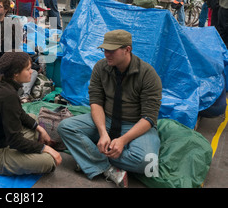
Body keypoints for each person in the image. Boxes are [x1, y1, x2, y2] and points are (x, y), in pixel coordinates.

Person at [58, 30, 162, 188]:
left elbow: (149, 117)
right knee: (65, 127)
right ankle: (107, 168)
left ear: (127, 49)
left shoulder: (147, 74)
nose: (106, 54)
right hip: (106, 119)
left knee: (149, 164)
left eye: (111, 50)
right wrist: (102, 133)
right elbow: (96, 102)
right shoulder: (101, 68)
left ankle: (88, 156)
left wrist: (122, 140)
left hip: (135, 123)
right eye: (104, 50)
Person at [0, 52, 61, 176]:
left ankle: (36, 142)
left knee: (33, 119)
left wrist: (39, 128)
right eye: (28, 69)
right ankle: (38, 149)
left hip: (1, 141)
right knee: (49, 161)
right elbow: (15, 140)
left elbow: (20, 113)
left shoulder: (6, 86)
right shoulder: (7, 95)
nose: (31, 72)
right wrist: (45, 149)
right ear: (16, 74)